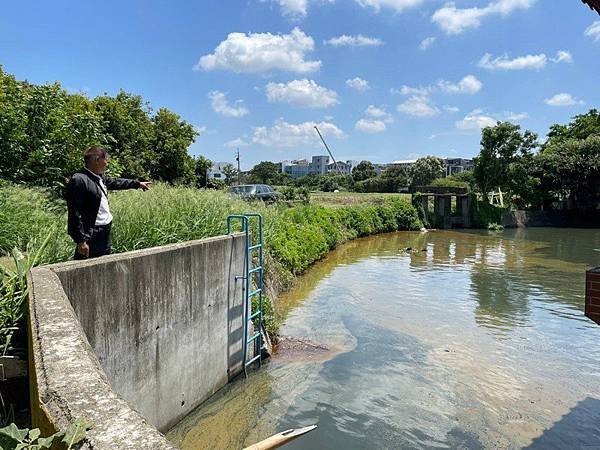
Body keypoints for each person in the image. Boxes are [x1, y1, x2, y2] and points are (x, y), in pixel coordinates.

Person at [66, 146, 151, 259]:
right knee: (86, 267)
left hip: (105, 230)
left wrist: (137, 184)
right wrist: (81, 241)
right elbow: (74, 213)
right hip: (92, 233)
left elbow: (116, 182)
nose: (107, 164)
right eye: (105, 160)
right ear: (97, 160)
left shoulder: (99, 177)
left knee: (104, 263)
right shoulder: (79, 180)